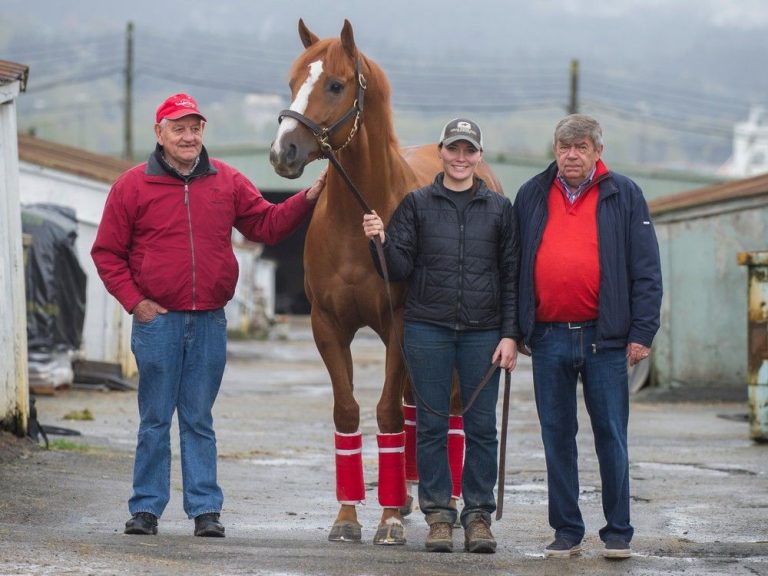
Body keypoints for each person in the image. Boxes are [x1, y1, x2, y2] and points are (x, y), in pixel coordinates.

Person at [91, 93, 326, 537]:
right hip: (157, 322)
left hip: (209, 323)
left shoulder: (228, 181)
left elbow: (267, 225)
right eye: (178, 127)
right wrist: (135, 302)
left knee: (199, 419)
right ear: (159, 133)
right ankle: (145, 509)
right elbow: (106, 253)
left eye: (195, 127)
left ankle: (205, 511)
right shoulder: (132, 185)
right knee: (155, 418)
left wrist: (310, 195)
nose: (188, 136)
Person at [362, 118, 520, 553]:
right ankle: (438, 516)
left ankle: (478, 516)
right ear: (443, 151)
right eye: (454, 149)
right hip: (427, 329)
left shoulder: (499, 210)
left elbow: (511, 277)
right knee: (431, 425)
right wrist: (379, 241)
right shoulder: (416, 205)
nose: (461, 158)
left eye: (469, 150)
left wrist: (510, 334)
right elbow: (398, 269)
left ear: (479, 156)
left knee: (481, 427)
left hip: (483, 332)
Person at [514, 114, 662, 560]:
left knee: (610, 435)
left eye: (580, 146)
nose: (571, 154)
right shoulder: (532, 194)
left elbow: (647, 271)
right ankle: (567, 531)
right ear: (555, 150)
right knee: (556, 436)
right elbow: (513, 265)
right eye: (564, 146)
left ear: (598, 151)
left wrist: (643, 332)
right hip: (549, 336)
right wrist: (517, 326)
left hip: (606, 338)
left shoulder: (625, 194)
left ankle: (618, 532)